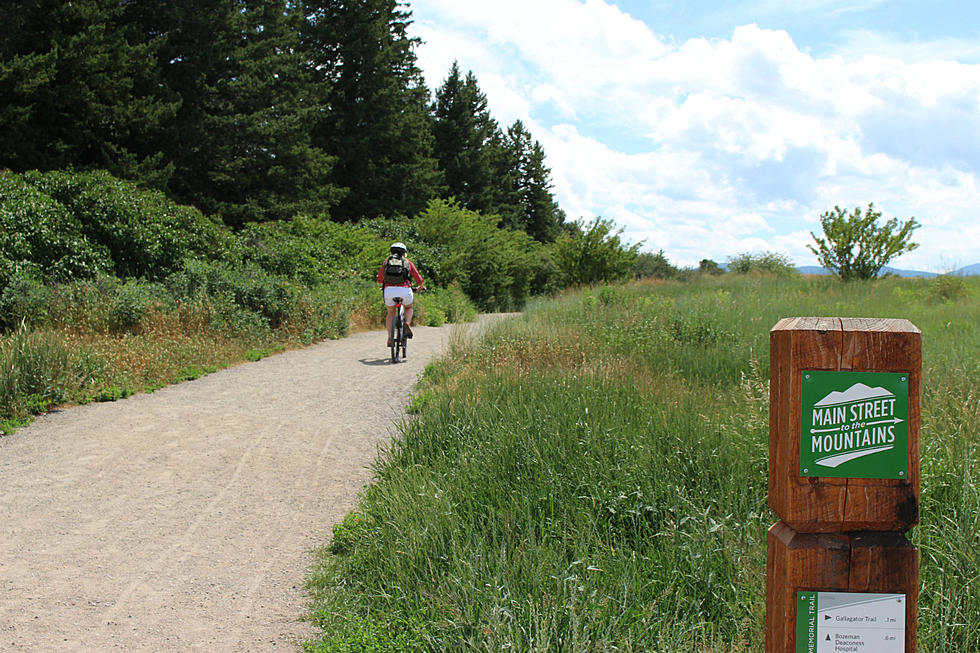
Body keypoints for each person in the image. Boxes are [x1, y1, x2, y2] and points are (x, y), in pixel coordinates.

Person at [377, 242, 424, 347]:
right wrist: (420, 286)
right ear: (404, 253)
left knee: (390, 313)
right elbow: (417, 277)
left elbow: (380, 279)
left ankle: (390, 337)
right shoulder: (407, 262)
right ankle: (407, 323)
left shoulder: (386, 262)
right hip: (405, 290)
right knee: (409, 308)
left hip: (389, 291)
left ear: (391, 252)